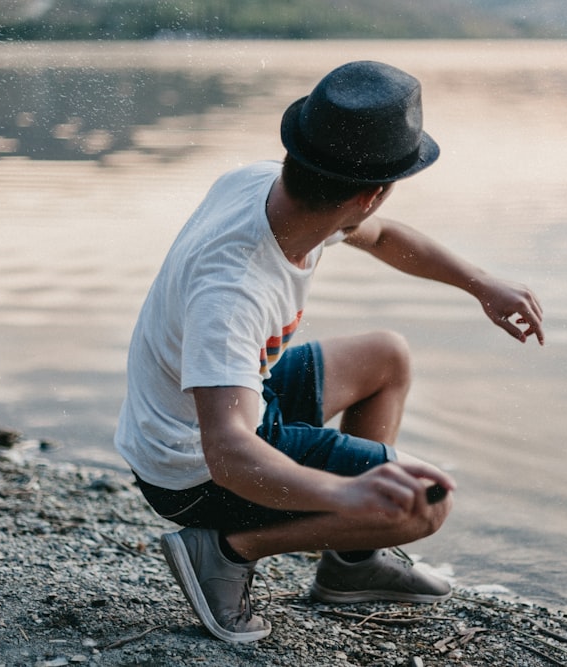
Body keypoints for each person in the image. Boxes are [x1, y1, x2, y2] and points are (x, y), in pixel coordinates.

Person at [114, 60, 544, 643]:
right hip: (188, 474)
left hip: (227, 408)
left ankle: (351, 564)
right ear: (371, 195)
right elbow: (228, 453)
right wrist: (348, 497)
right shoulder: (234, 288)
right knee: (420, 505)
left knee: (385, 357)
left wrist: (479, 283)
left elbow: (387, 238)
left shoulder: (271, 187)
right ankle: (222, 550)